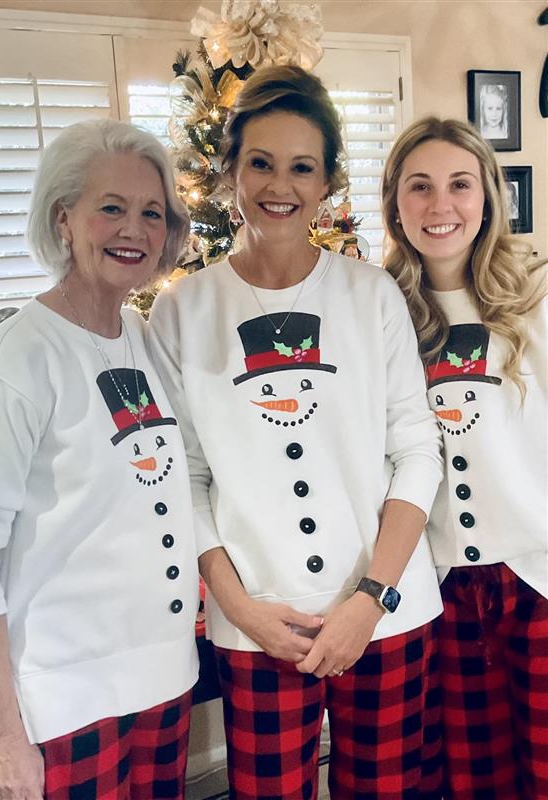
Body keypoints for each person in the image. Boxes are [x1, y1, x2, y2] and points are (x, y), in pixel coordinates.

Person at [149, 66, 444, 800]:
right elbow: (184, 476)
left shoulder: (371, 295)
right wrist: (239, 609)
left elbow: (416, 451)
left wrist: (370, 597)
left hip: (385, 611)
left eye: (302, 167)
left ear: (327, 182)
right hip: (259, 621)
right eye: (260, 162)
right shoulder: (181, 311)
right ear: (229, 171)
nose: (279, 186)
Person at [0, 119, 200, 800]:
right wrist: (3, 737)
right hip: (66, 704)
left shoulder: (140, 334)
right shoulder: (19, 355)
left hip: (164, 684)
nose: (133, 229)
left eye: (152, 212)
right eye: (111, 207)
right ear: (64, 220)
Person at [381, 116, 548, 800]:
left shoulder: (537, 294)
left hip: (539, 576)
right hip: (440, 585)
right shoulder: (380, 310)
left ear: (487, 196)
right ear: (395, 203)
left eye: (459, 184)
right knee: (473, 779)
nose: (439, 204)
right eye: (419, 186)